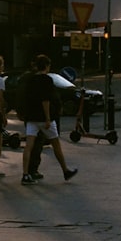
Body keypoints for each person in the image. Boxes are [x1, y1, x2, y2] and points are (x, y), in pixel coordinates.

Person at [21, 54, 77, 185]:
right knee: (56, 145)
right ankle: (65, 170)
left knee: (28, 146)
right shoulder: (47, 80)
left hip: (31, 117)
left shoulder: (30, 80)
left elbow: (26, 98)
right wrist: (47, 117)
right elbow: (45, 100)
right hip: (44, 118)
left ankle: (25, 174)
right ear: (46, 66)